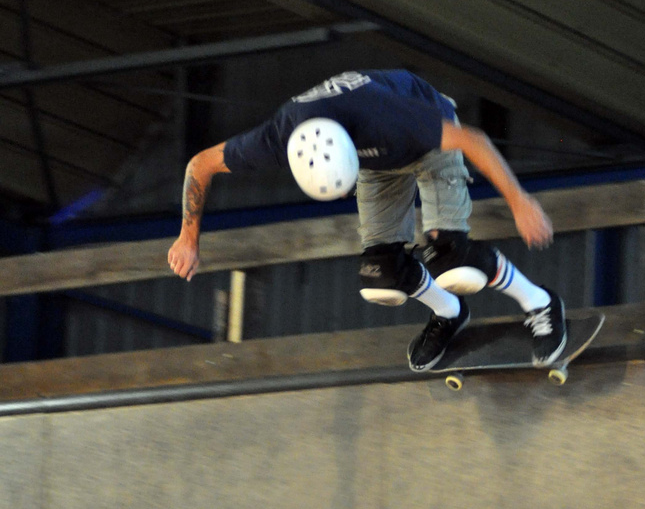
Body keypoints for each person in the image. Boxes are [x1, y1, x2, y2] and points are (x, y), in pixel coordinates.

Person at [168, 69, 567, 371]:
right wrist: (188, 239)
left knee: (451, 259)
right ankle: (450, 313)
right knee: (381, 275)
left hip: (426, 144)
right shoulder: (278, 136)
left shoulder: (388, 116)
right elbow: (200, 164)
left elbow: (474, 140)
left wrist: (520, 203)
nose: (345, 196)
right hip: (376, 164)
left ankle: (540, 302)